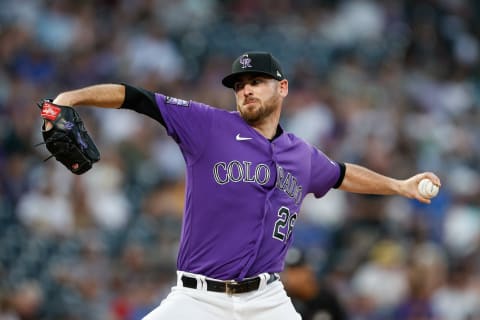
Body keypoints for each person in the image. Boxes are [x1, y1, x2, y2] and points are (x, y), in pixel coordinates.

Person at [43, 51, 441, 320]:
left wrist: (401, 186)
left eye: (257, 81)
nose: (246, 89)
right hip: (197, 298)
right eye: (239, 84)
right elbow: (135, 97)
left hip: (266, 300)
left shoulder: (301, 155)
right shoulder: (207, 125)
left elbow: (341, 174)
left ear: (281, 88)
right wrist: (69, 97)